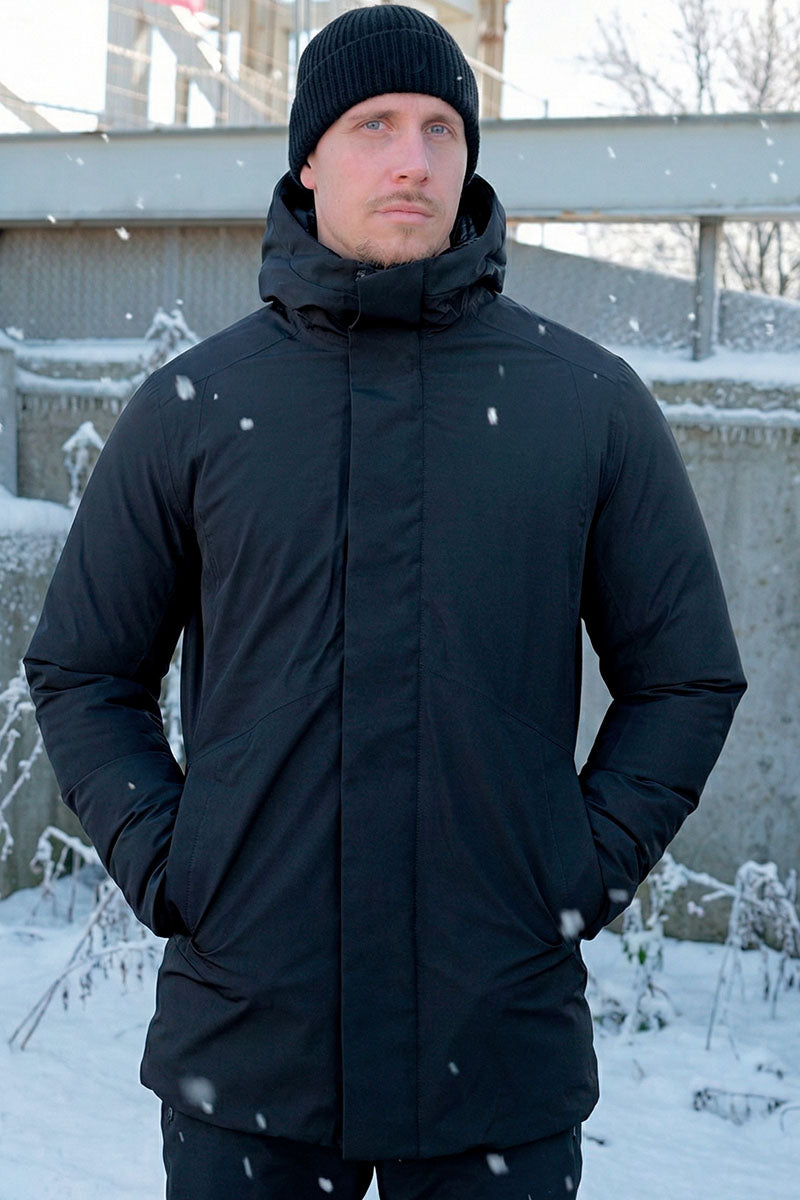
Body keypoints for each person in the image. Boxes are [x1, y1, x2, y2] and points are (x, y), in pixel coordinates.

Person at [24, 5, 746, 1198]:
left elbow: (683, 677)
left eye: (437, 128)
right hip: (251, 1049)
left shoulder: (584, 404)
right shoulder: (196, 407)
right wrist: (173, 862)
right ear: (308, 159)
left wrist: (573, 869)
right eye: (372, 125)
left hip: (493, 1054)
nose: (411, 158)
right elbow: (85, 669)